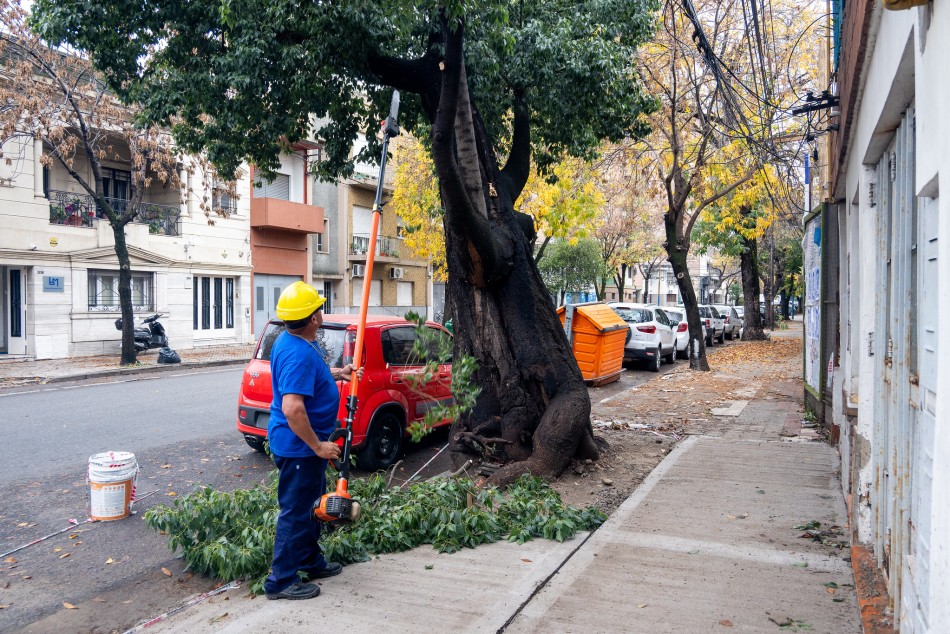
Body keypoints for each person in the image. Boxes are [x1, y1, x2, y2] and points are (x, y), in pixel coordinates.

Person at [264, 281, 362, 601]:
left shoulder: (291, 340)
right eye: (318, 309)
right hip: (299, 448)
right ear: (313, 319)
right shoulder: (297, 353)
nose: (321, 312)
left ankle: (309, 560)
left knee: (310, 506)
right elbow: (293, 407)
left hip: (302, 447)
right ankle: (281, 581)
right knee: (295, 511)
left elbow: (312, 378)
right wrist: (318, 447)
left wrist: (339, 373)